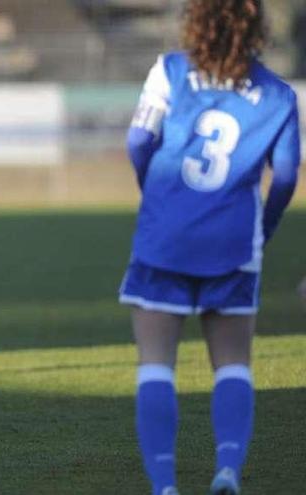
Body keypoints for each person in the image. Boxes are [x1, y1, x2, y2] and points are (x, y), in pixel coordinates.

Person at [119, 1, 299, 494]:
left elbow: (138, 140)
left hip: (164, 236)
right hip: (235, 241)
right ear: (255, 28)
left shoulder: (170, 70)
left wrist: (154, 189)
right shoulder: (280, 95)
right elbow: (284, 176)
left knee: (156, 363)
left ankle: (164, 485)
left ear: (195, 22)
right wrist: (267, 224)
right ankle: (226, 471)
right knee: (234, 364)